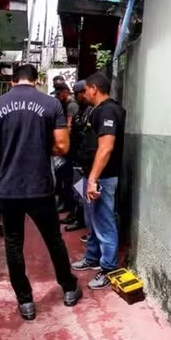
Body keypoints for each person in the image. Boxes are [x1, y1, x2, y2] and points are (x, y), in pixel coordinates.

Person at [0, 64, 81, 320]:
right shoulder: (51, 104)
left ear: (13, 81)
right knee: (53, 240)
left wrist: (5, 150)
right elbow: (62, 146)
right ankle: (69, 288)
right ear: (35, 81)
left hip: (7, 188)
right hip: (39, 187)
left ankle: (25, 302)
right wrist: (40, 149)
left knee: (13, 244)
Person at [77, 73, 126, 290]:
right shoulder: (96, 110)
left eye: (86, 89)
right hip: (93, 175)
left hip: (102, 178)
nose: (84, 93)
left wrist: (93, 179)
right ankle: (92, 257)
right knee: (93, 220)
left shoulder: (108, 111)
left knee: (104, 222)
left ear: (94, 88)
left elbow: (106, 148)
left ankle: (108, 269)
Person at [65, 80, 93, 234]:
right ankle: (77, 216)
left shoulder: (90, 110)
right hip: (77, 156)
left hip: (84, 159)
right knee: (77, 189)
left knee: (81, 192)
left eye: (78, 93)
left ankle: (81, 220)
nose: (77, 97)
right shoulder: (82, 110)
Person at [51, 83, 78, 216]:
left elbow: (69, 126)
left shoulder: (71, 105)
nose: (57, 96)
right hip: (68, 147)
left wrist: (61, 142)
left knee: (68, 178)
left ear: (65, 91)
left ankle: (69, 205)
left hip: (70, 148)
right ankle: (66, 203)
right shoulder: (65, 104)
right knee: (62, 177)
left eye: (59, 93)